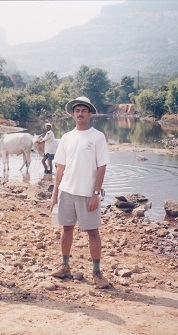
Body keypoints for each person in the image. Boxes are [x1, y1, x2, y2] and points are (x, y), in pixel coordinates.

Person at [50, 96, 110, 289]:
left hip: (87, 193)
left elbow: (101, 167)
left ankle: (96, 272)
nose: (80, 114)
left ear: (90, 114)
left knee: (92, 232)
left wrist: (95, 193)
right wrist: (55, 194)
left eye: (84, 110)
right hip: (66, 190)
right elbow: (60, 167)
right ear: (73, 114)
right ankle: (65, 266)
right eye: (77, 111)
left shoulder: (97, 136)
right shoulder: (67, 137)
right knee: (66, 229)